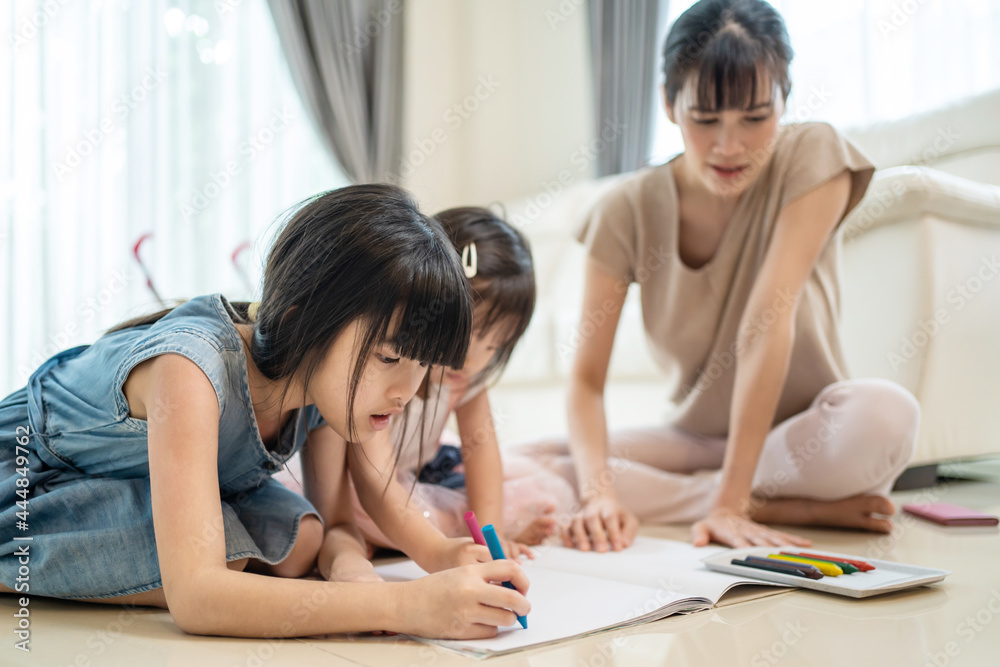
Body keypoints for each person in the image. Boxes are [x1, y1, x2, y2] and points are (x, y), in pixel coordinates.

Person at [0, 184, 530, 639]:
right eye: (389, 356)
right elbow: (196, 599)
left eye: (422, 363)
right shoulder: (190, 368)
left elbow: (340, 519)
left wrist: (373, 567)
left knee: (305, 539)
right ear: (305, 322)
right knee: (224, 561)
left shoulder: (328, 393)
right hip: (26, 474)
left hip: (119, 478)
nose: (406, 389)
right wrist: (402, 604)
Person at [512, 0, 919, 551]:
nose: (731, 146)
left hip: (804, 435)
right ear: (669, 104)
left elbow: (766, 321)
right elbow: (586, 382)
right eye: (705, 119)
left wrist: (730, 503)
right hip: (696, 439)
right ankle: (786, 505)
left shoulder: (814, 155)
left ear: (785, 97)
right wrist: (602, 495)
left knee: (886, 415)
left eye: (755, 117)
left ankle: (732, 493)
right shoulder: (624, 211)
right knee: (530, 462)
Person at [346, 207, 574, 558]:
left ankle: (407, 536)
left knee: (543, 491)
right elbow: (376, 482)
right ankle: (399, 535)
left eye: (496, 344)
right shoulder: (385, 368)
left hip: (422, 471)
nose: (475, 359)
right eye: (472, 332)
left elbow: (482, 455)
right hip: (366, 482)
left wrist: (492, 542)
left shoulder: (467, 378)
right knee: (373, 510)